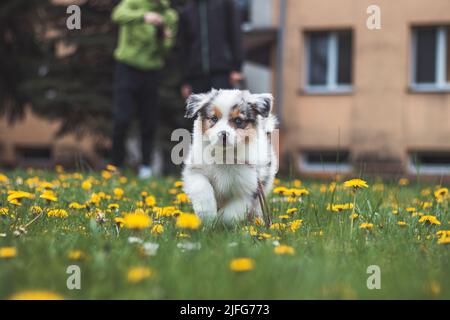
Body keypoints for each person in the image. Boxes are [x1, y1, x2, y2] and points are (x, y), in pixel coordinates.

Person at [111, 0, 177, 178]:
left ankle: (146, 167)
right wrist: (143, 17)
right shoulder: (133, 2)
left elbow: (165, 51)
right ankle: (115, 166)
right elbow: (117, 15)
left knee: (149, 121)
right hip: (127, 67)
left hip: (152, 72)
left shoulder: (170, 15)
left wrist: (164, 37)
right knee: (122, 118)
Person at [178, 0, 244, 97]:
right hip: (196, 76)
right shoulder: (187, 10)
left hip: (222, 73)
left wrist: (237, 68)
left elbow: (235, 35)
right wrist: (185, 80)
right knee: (201, 111)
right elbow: (184, 47)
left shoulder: (225, 4)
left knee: (221, 111)